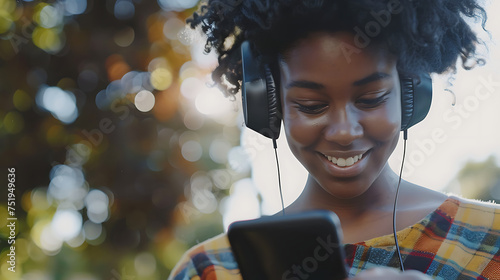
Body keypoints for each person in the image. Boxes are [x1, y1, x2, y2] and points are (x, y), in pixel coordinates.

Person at [169, 0, 499, 279]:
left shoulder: (490, 240)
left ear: (412, 94)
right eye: (312, 106)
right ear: (268, 104)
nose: (345, 131)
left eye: (371, 99)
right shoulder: (210, 270)